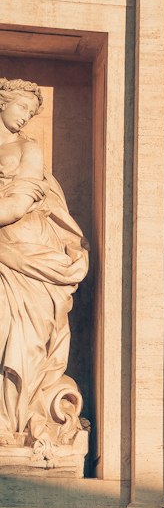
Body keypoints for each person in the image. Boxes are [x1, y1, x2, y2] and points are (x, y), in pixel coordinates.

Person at [0, 78, 89, 449]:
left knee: (24, 338)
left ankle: (13, 423)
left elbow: (18, 204)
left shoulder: (28, 150)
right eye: (21, 107)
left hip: (26, 249)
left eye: (32, 112)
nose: (26, 117)